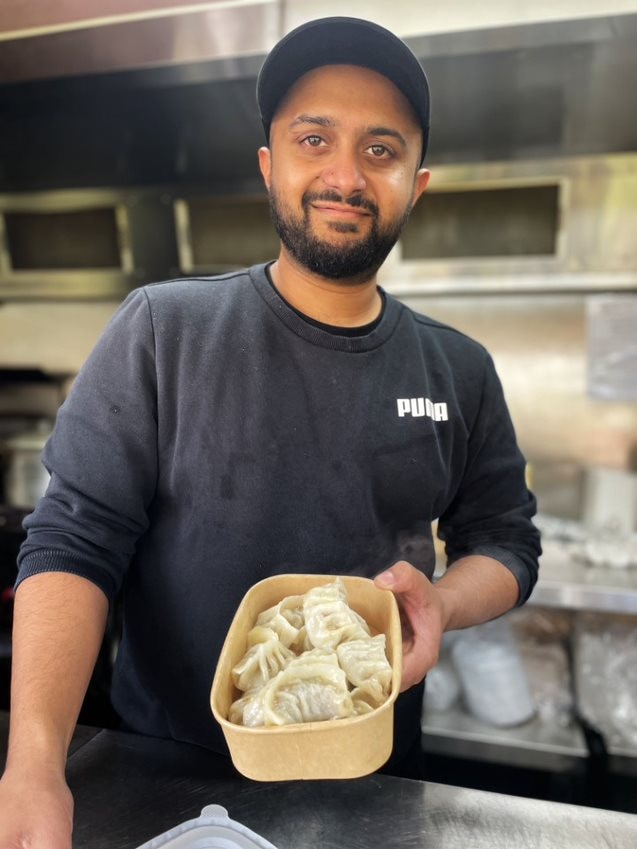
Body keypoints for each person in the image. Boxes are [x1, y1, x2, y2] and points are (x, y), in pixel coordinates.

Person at [0, 15, 541, 848]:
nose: (344, 174)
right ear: (269, 164)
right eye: (313, 138)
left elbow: (506, 542)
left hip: (373, 778)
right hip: (166, 777)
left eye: (380, 150)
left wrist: (441, 598)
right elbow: (75, 540)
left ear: (415, 184)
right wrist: (34, 762)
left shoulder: (456, 368)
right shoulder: (162, 330)